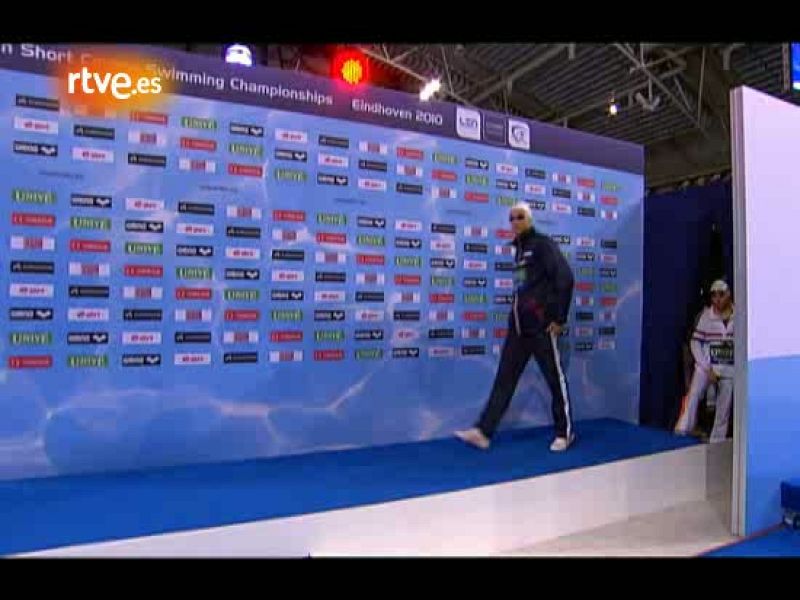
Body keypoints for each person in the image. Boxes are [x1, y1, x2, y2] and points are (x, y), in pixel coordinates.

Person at [456, 202, 576, 452]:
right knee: (504, 380)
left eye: (520, 217)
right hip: (519, 329)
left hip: (541, 327)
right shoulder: (519, 251)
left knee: (555, 381)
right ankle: (484, 432)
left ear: (530, 219)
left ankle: (564, 433)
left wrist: (558, 318)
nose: (515, 222)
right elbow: (523, 289)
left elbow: (565, 278)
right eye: (511, 218)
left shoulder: (543, 245)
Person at [674, 279, 734, 443]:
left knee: (724, 407)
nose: (717, 299)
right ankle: (682, 431)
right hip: (706, 366)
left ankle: (717, 441)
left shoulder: (739, 316)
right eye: (713, 295)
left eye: (721, 294)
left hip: (728, 368)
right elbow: (695, 342)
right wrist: (705, 366)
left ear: (728, 294)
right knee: (693, 396)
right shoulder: (706, 316)